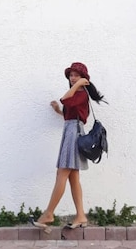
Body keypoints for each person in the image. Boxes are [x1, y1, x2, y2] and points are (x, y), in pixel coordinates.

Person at [31, 61, 106, 233]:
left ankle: (49, 213)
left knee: (62, 173)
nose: (72, 78)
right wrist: (58, 110)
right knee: (73, 177)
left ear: (83, 78)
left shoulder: (81, 93)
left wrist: (80, 84)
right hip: (70, 129)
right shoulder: (77, 94)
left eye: (76, 75)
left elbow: (65, 99)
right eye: (71, 75)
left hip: (73, 132)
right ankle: (81, 216)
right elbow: (68, 112)